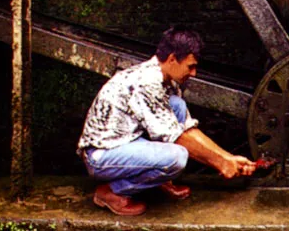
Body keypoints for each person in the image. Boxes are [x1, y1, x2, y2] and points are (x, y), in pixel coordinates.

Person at [77, 26, 256, 216]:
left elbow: (186, 128)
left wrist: (227, 158)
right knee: (176, 157)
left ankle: (159, 180)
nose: (194, 73)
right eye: (190, 66)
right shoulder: (147, 82)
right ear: (172, 59)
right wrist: (221, 162)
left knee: (176, 105)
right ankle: (112, 191)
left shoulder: (167, 79)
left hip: (128, 139)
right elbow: (179, 137)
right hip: (101, 155)